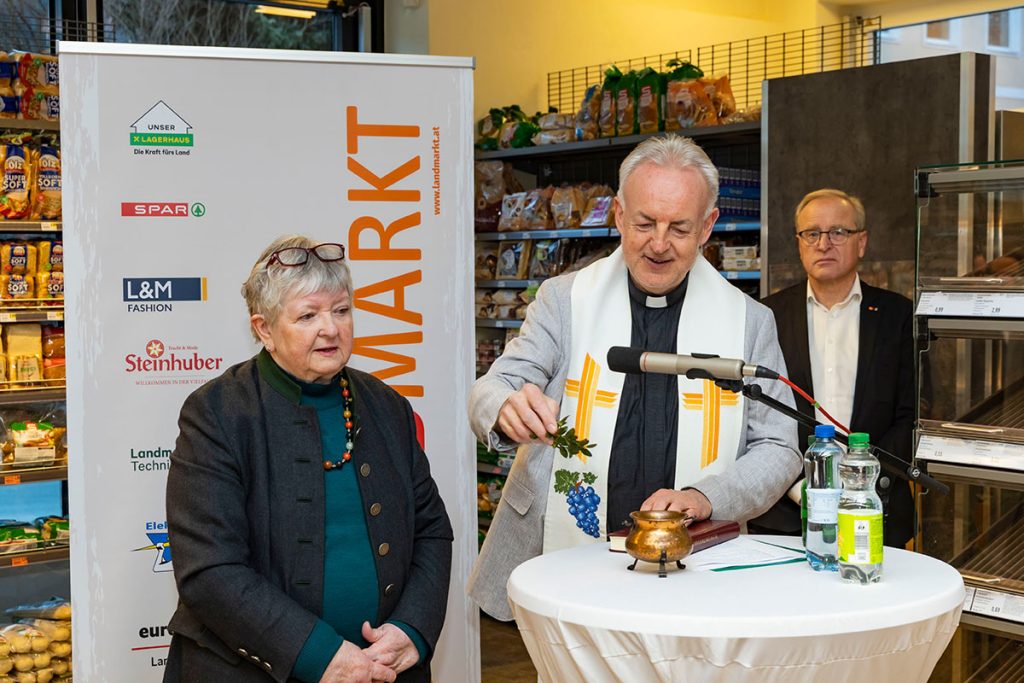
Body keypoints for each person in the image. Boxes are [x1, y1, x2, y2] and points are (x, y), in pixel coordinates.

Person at [468, 135, 801, 621]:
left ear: (708, 225)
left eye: (679, 227)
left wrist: (706, 498)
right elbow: (494, 385)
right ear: (619, 215)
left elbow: (778, 448)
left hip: (696, 566)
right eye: (644, 223)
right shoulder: (565, 300)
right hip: (563, 559)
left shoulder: (749, 321)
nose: (659, 244)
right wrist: (503, 408)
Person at [164, 236, 453, 683]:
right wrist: (316, 654)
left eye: (341, 310)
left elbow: (432, 529)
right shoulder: (216, 414)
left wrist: (412, 629)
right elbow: (210, 570)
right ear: (263, 329)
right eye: (308, 315)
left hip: (385, 670)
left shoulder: (386, 405)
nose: (331, 329)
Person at [750, 189, 915, 547]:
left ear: (862, 242)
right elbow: (755, 413)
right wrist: (798, 488)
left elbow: (912, 414)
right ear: (799, 243)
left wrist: (860, 481)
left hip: (874, 508)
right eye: (812, 233)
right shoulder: (766, 316)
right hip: (784, 515)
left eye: (839, 232)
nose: (824, 243)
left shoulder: (897, 316)